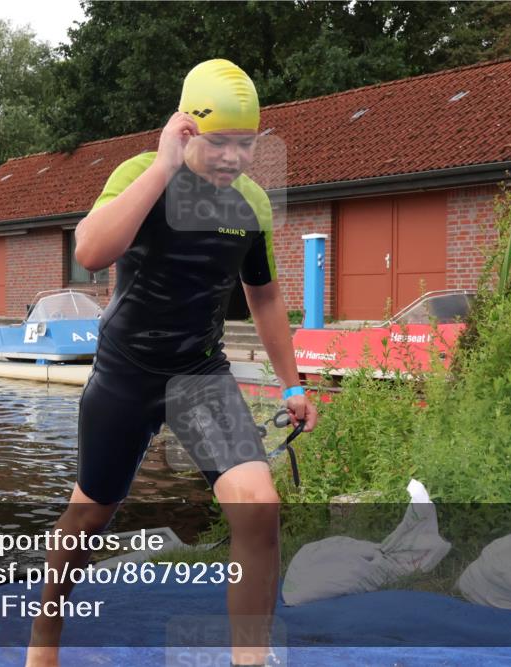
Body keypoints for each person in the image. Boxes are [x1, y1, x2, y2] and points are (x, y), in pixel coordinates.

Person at [26, 60, 317, 667]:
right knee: (89, 516)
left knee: (257, 507)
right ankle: (43, 642)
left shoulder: (251, 203)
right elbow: (89, 251)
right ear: (186, 129)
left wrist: (292, 384)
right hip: (126, 373)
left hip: (199, 375)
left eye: (246, 144)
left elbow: (263, 295)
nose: (234, 158)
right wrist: (162, 167)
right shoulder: (139, 172)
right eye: (220, 143)